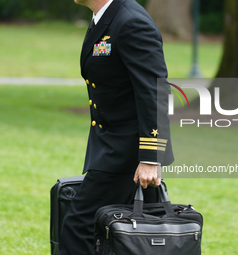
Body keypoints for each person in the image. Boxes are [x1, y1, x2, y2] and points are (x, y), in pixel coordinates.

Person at [59, 0, 174, 254]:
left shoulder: (131, 22)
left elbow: (155, 92)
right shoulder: (103, 18)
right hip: (112, 146)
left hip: (127, 153)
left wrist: (151, 157)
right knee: (141, 235)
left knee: (79, 225)